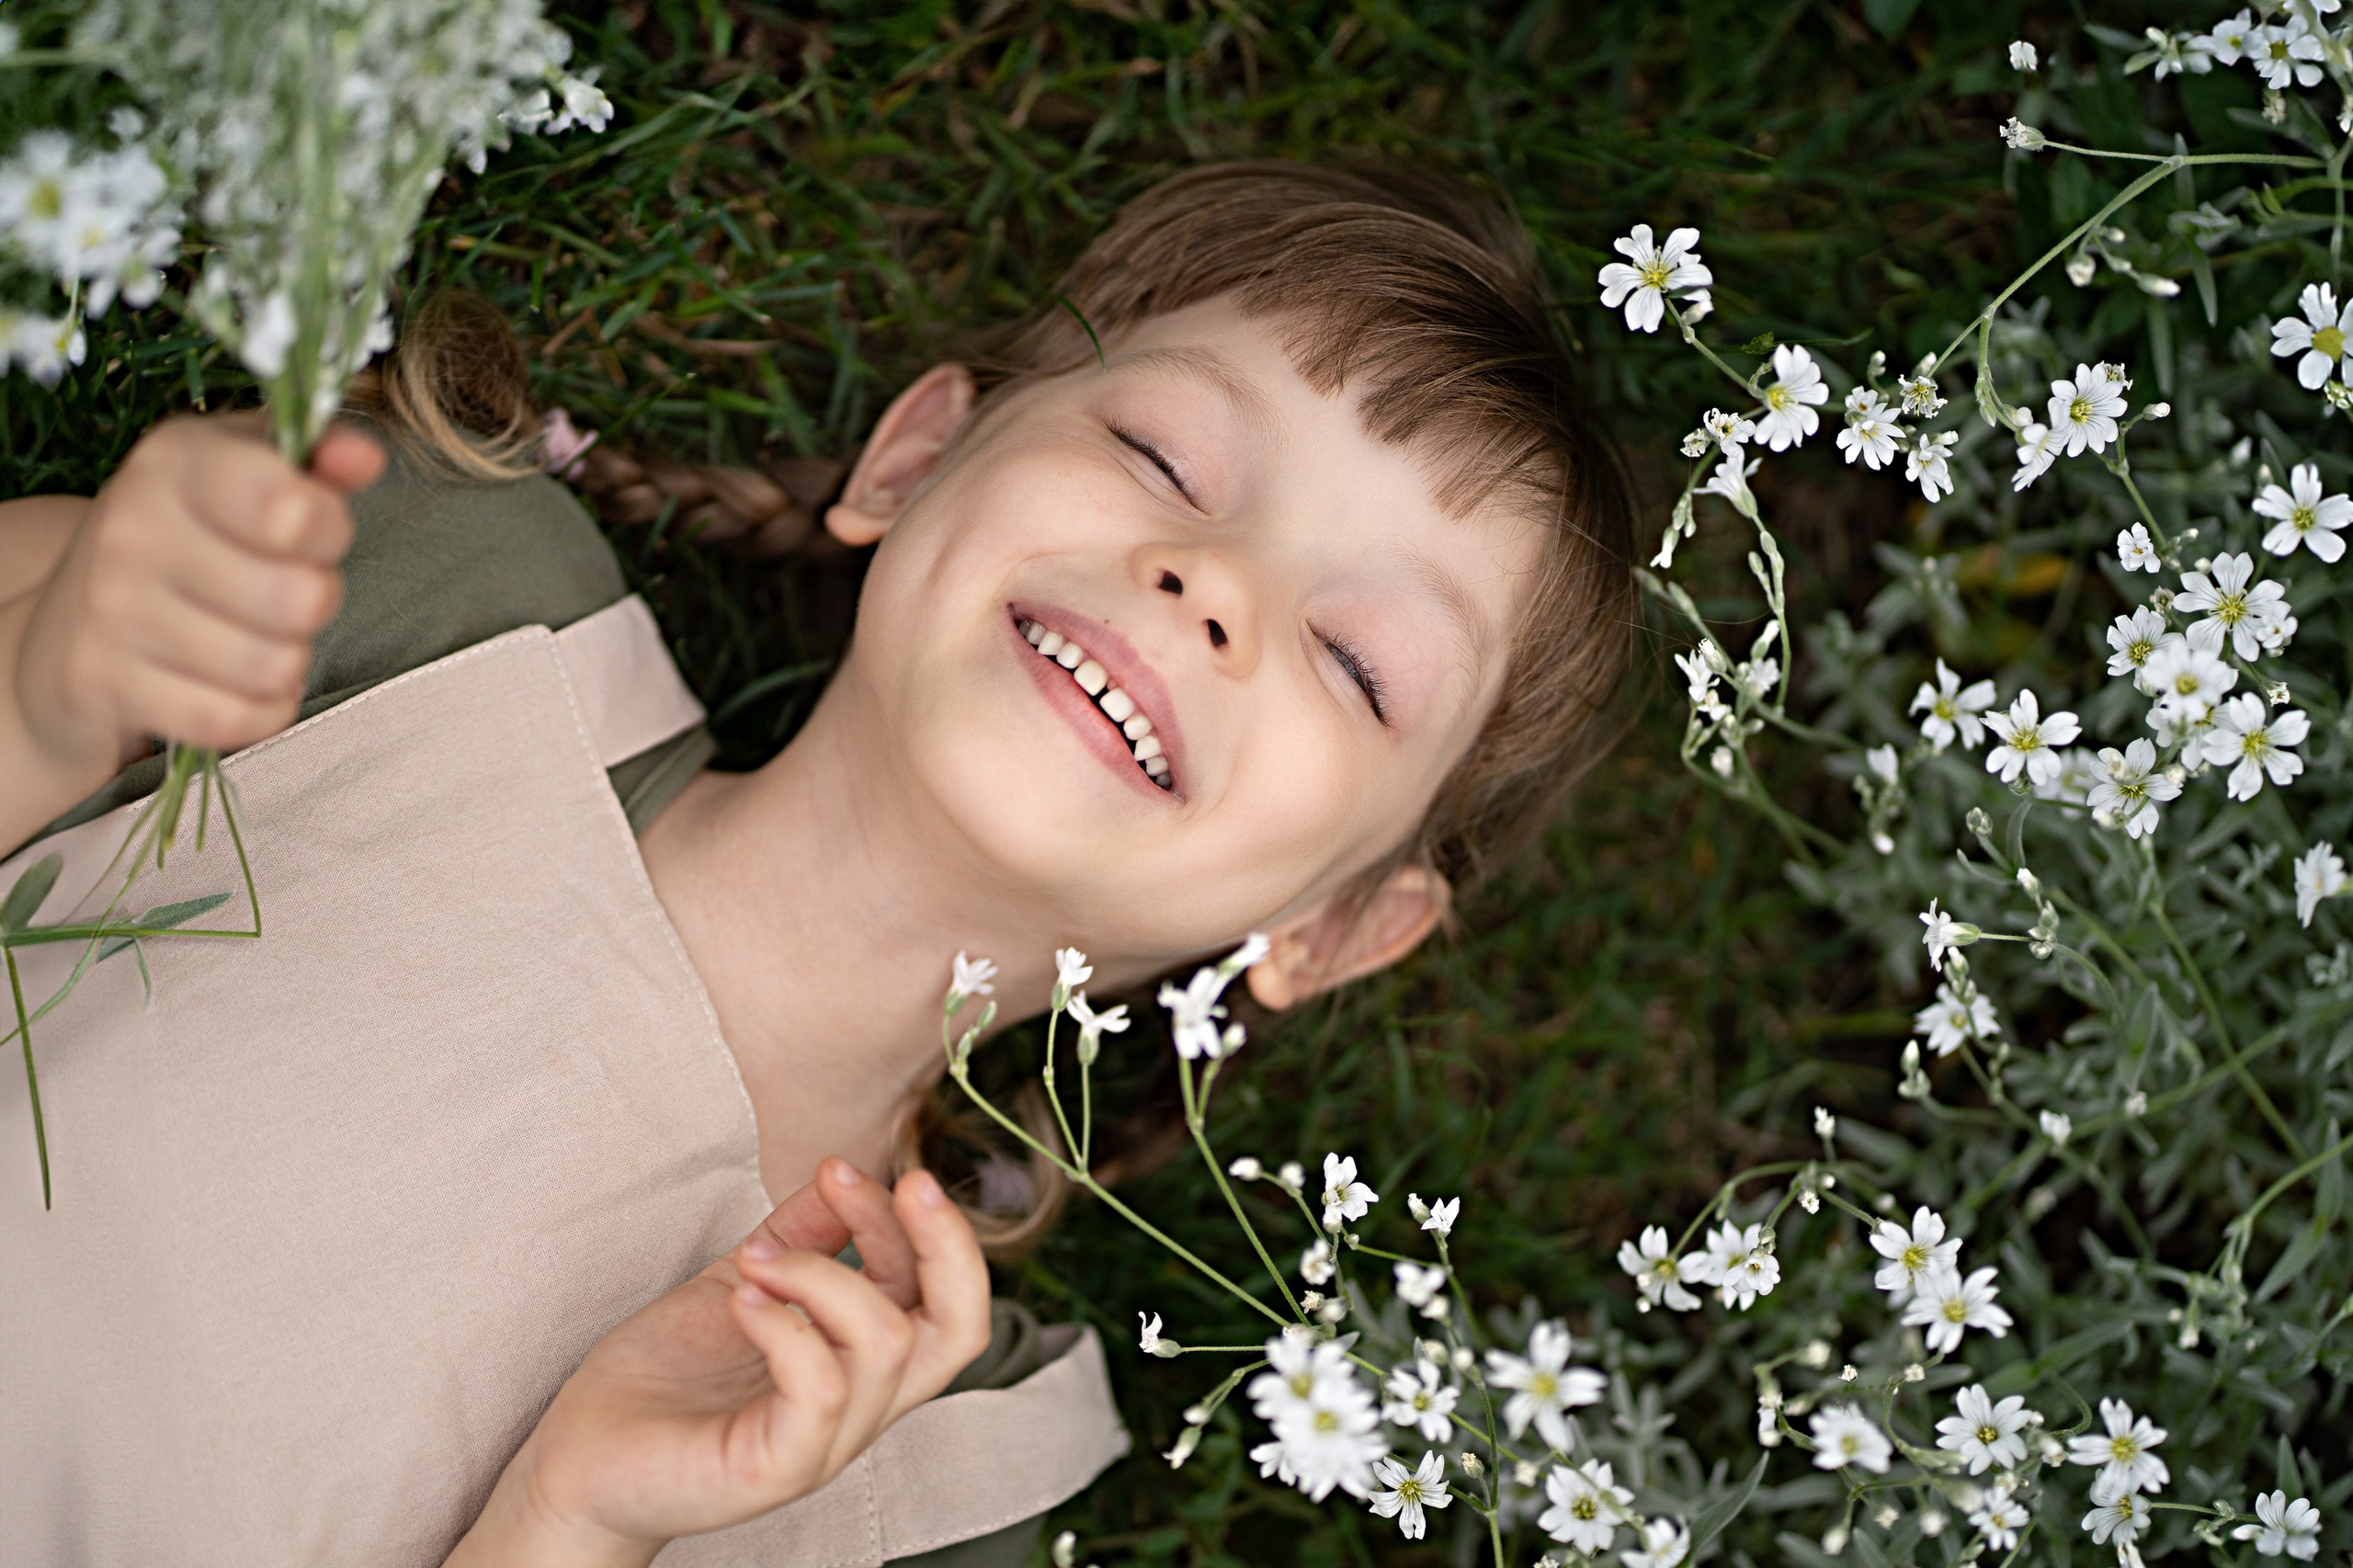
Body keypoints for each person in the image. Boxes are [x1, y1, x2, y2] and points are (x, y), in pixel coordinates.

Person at [0, 161, 1635, 1566]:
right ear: (915, 459)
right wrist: (45, 699)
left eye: (1357, 660)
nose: (1213, 585)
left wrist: (576, 1521)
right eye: (1164, 457)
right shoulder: (442, 595)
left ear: (1338, 924)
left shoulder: (923, 1475)